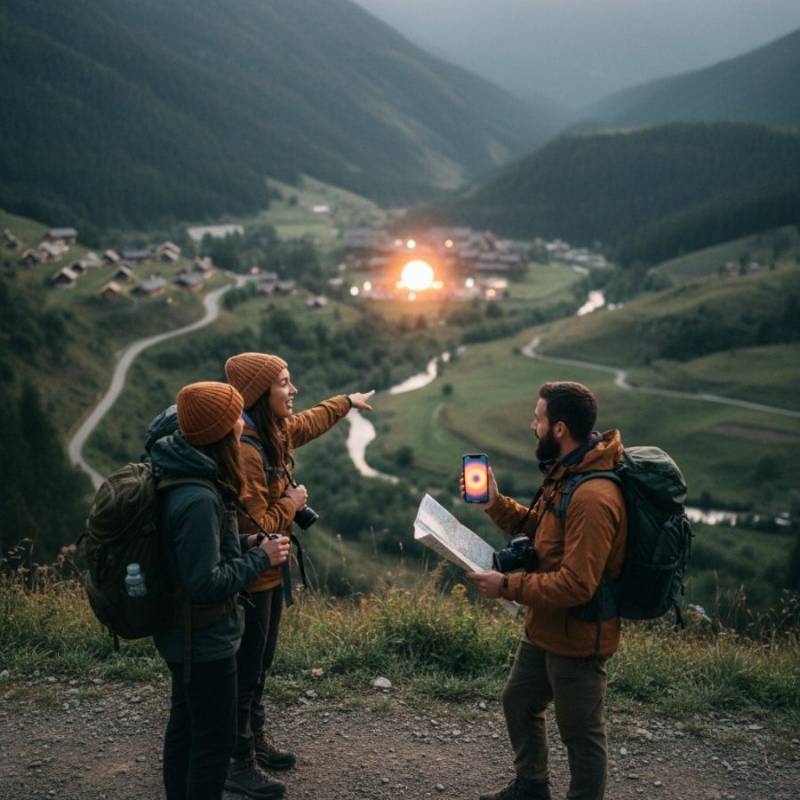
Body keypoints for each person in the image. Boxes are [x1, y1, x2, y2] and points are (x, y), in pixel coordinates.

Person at [467, 381, 628, 800]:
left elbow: (577, 583)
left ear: (558, 429)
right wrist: (495, 504)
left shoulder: (594, 497)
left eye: (537, 419)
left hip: (578, 637)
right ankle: (531, 787)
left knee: (580, 735)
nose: (531, 426)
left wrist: (506, 586)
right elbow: (540, 534)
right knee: (519, 701)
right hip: (545, 627)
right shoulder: (567, 474)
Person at [224, 351, 374, 797]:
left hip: (270, 574)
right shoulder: (248, 451)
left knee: (260, 663)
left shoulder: (273, 432)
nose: (293, 391)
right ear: (258, 394)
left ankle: (255, 740)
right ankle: (239, 761)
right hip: (252, 578)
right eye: (284, 383)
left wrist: (346, 402)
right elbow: (253, 527)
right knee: (247, 668)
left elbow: (307, 421)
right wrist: (293, 502)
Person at [150, 381, 290, 800]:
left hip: (188, 634)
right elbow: (204, 583)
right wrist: (260, 558)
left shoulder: (191, 473)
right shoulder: (197, 497)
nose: (239, 422)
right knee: (212, 742)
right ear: (217, 430)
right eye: (233, 416)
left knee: (187, 728)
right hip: (205, 640)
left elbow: (198, 553)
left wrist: (246, 545)